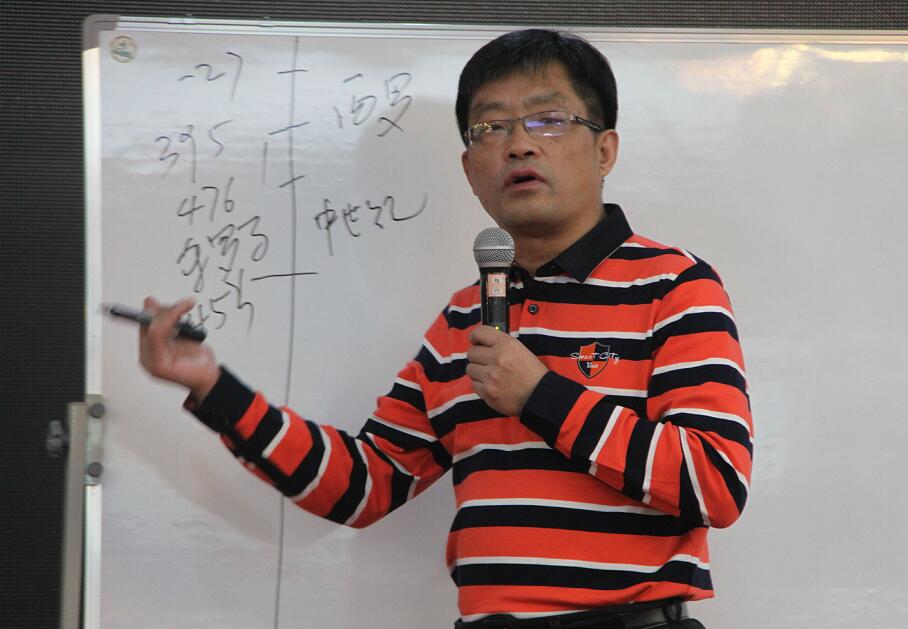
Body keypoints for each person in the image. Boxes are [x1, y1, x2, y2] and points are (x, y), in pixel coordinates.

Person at [140, 29, 752, 629]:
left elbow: (716, 483)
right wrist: (213, 387)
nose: (519, 145)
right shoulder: (465, 318)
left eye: (548, 120)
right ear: (469, 168)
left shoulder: (674, 286)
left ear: (605, 150)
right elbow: (365, 484)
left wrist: (540, 396)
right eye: (491, 127)